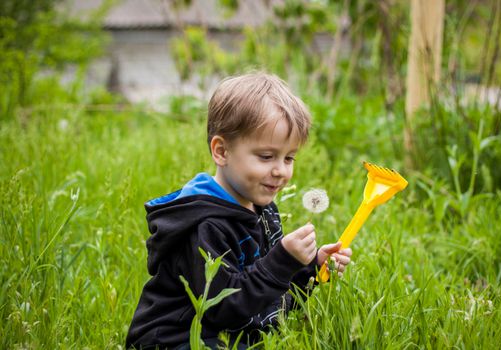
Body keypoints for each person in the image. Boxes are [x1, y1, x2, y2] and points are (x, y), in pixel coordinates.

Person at [126, 72, 352, 349]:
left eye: (289, 157)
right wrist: (282, 261)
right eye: (266, 156)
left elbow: (265, 299)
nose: (281, 170)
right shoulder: (205, 225)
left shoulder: (263, 212)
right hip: (177, 340)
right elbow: (223, 308)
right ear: (221, 151)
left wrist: (310, 269)